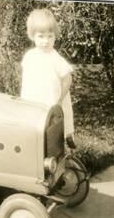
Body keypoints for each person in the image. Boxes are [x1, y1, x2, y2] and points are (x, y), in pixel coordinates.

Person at [20, 8, 76, 148]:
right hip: (36, 99)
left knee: (54, 128)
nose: (46, 41)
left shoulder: (54, 57)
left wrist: (59, 99)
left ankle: (65, 139)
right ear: (32, 36)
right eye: (41, 36)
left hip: (53, 99)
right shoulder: (30, 57)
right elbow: (27, 80)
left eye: (50, 36)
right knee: (37, 129)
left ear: (55, 36)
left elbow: (67, 78)